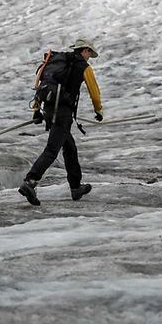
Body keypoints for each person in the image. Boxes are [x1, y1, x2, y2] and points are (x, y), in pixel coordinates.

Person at [18, 39, 104, 205]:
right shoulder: (82, 66)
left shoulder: (58, 62)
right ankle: (30, 182)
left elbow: (42, 84)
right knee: (52, 150)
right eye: (90, 54)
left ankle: (75, 187)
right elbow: (94, 91)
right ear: (85, 50)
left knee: (70, 149)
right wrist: (98, 111)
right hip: (62, 114)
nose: (89, 58)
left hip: (50, 110)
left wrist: (36, 110)